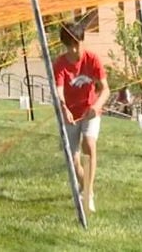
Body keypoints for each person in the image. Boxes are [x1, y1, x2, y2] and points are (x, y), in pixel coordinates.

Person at [53, 19, 110, 214]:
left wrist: (97, 105)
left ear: (82, 41)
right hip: (70, 113)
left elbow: (105, 89)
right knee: (73, 156)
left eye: (77, 45)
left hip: (90, 111)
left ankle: (89, 193)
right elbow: (59, 90)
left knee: (89, 143)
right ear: (65, 46)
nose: (75, 51)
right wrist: (64, 108)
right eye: (70, 47)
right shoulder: (60, 64)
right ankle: (84, 186)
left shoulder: (93, 60)